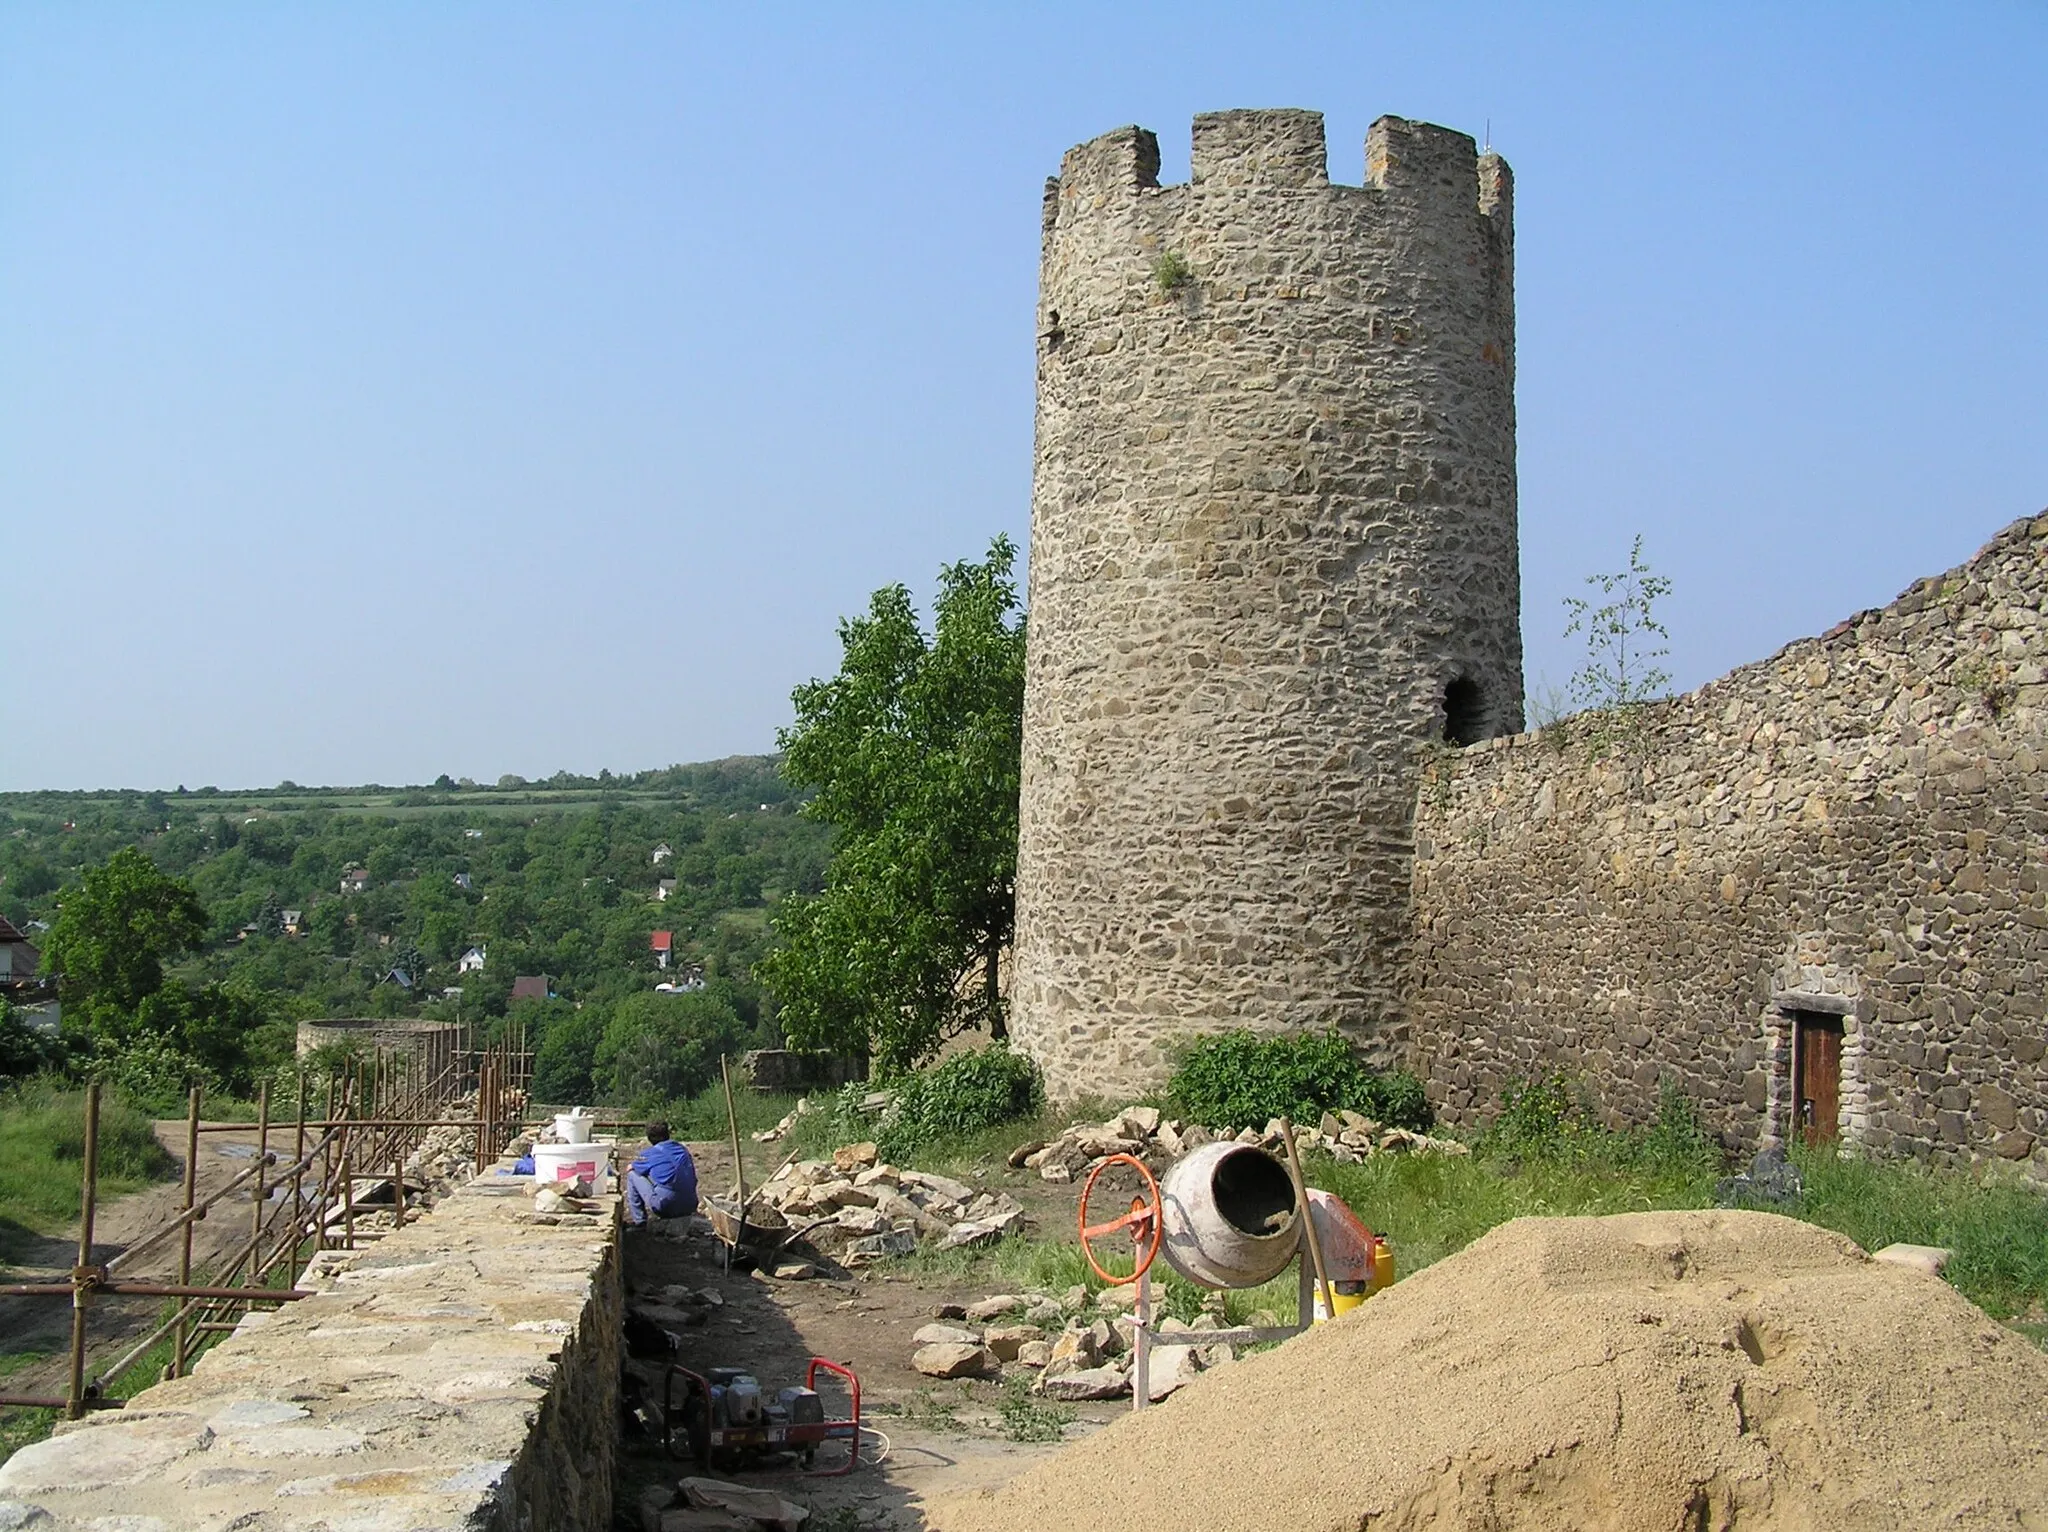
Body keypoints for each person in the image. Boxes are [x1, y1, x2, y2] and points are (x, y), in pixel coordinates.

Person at [625, 1121, 698, 1227]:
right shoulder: (682, 1149)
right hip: (690, 1204)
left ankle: (639, 1222)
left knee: (632, 1175)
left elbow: (631, 1168)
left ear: (649, 1138)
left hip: (667, 1206)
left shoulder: (650, 1153)